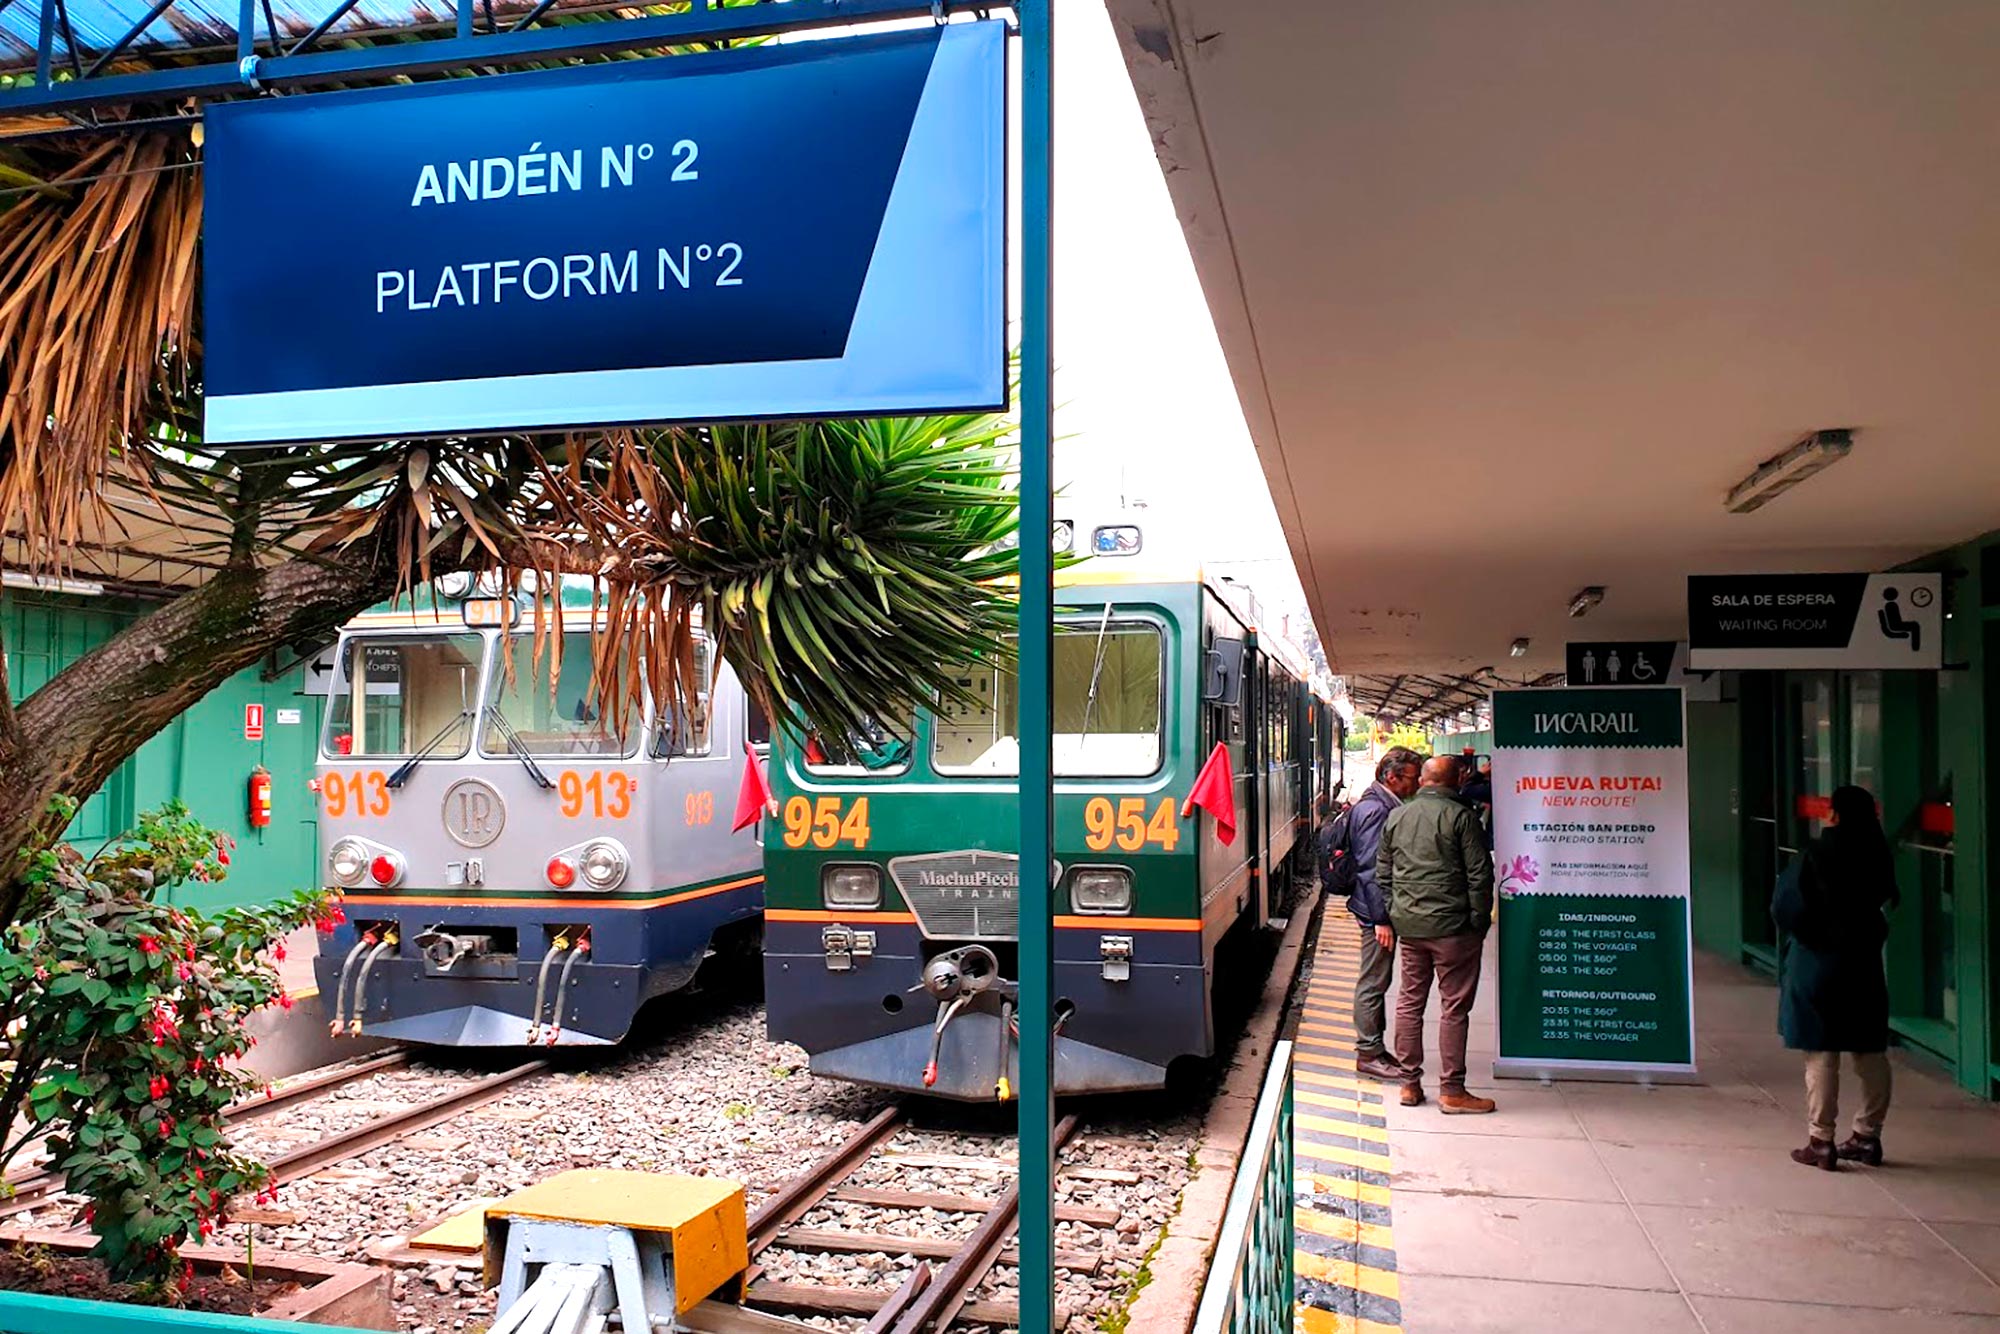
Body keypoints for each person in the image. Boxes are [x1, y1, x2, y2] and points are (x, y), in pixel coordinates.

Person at [1772, 784, 1898, 1170]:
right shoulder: (1878, 853)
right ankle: (1867, 1135)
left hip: (1819, 963)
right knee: (1870, 1049)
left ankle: (1821, 1140)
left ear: (1837, 814)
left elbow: (1785, 906)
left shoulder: (1817, 854)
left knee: (1822, 1049)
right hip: (1863, 963)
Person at [1380, 755, 1496, 1113]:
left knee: (1409, 1003)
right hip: (1453, 929)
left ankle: (1409, 1085)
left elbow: (1383, 872)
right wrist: (1478, 920)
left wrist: (1397, 910)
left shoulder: (1398, 815)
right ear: (1457, 780)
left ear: (1425, 781)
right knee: (1454, 1008)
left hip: (1412, 928)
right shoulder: (1462, 817)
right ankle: (1452, 1090)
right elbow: (1480, 874)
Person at [1345, 747, 1424, 1081]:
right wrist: (1380, 920)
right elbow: (1371, 870)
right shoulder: (1377, 810)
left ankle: (1374, 1049)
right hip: (1373, 913)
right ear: (1391, 776)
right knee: (1374, 981)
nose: (1417, 784)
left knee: (1378, 978)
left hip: (1373, 910)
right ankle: (1368, 1053)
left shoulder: (1379, 803)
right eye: (1411, 777)